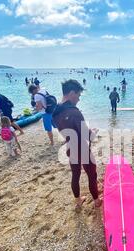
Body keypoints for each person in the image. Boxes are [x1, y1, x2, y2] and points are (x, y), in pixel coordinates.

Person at [52, 80, 101, 210]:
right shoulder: (74, 112)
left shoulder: (55, 111)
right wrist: (94, 132)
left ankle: (78, 200)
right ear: (72, 93)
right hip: (82, 149)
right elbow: (88, 136)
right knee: (92, 175)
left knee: (76, 174)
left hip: (70, 146)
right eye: (78, 96)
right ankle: (96, 201)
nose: (79, 99)